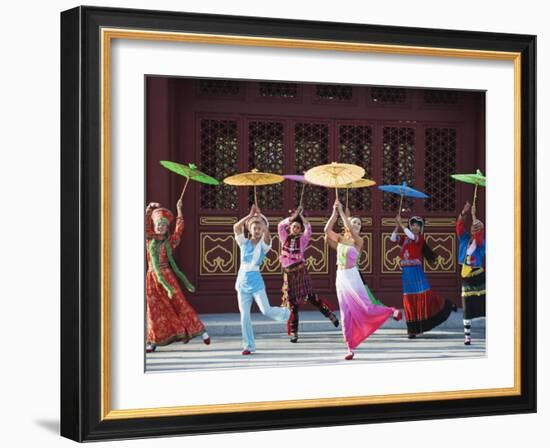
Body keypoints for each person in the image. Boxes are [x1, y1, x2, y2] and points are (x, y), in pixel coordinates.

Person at [325, 198, 402, 360]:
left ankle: (390, 311)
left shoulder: (358, 241)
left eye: (359, 224)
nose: (356, 226)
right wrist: (334, 212)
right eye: (354, 223)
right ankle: (349, 347)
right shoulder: (340, 238)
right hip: (340, 278)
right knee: (345, 314)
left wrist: (341, 214)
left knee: (366, 307)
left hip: (353, 277)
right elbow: (327, 229)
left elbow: (351, 232)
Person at [145, 200, 210, 353]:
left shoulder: (170, 242)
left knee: (180, 303)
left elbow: (179, 229)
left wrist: (179, 210)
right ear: (154, 227)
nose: (160, 227)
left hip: (167, 276)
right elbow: (145, 225)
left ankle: (202, 331)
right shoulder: (149, 240)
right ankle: (153, 341)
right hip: (152, 279)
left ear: (167, 228)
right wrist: (149, 210)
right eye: (158, 225)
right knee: (154, 311)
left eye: (163, 225)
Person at [234, 204, 291, 355]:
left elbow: (267, 236)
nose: (257, 230)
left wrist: (260, 219)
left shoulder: (264, 245)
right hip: (242, 282)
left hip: (256, 282)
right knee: (244, 316)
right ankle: (248, 346)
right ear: (250, 229)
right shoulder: (243, 243)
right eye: (255, 228)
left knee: (265, 310)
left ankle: (286, 314)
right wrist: (250, 215)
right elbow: (236, 227)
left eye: (260, 228)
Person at [278, 206, 339, 343]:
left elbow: (309, 229)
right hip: (289, 274)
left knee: (312, 298)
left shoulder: (302, 240)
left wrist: (302, 218)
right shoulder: (284, 237)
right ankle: (294, 333)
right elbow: (280, 225)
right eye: (294, 226)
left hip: (300, 272)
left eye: (298, 227)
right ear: (290, 227)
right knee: (293, 304)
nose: (296, 228)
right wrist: (293, 217)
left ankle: (329, 314)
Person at [391, 213, 457, 338]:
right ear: (410, 226)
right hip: (406, 274)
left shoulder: (419, 238)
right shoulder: (405, 239)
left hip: (416, 271)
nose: (415, 227)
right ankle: (412, 329)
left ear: (420, 228)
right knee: (409, 300)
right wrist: (396, 226)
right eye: (413, 225)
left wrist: (401, 224)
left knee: (425, 295)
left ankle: (447, 304)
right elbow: (393, 239)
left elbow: (410, 235)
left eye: (417, 226)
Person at [456, 201, 486, 345]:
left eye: (477, 228)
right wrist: (465, 212)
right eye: (473, 228)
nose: (474, 230)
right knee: (466, 306)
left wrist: (474, 216)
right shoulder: (464, 238)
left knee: (484, 304)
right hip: (466, 276)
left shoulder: (481, 243)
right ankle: (467, 336)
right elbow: (459, 227)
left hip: (478, 275)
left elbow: (478, 238)